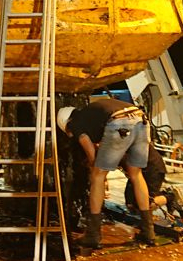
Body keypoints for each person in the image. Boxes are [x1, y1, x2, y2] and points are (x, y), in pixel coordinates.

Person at [57, 99, 155, 247]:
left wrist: (93, 166)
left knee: (98, 176)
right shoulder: (90, 115)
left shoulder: (75, 123)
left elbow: (90, 153)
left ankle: (93, 235)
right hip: (141, 120)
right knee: (136, 174)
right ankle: (149, 232)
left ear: (66, 123)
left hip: (120, 123)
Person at [123, 148, 183, 219]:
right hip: (137, 168)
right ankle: (161, 195)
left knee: (144, 205)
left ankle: (171, 196)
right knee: (130, 204)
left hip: (152, 168)